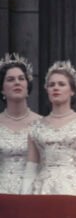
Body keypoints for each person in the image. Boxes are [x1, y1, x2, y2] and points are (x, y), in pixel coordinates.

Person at [22, 61, 76, 195]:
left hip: (74, 190)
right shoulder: (35, 127)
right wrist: (24, 199)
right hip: (43, 190)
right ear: (47, 90)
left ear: (72, 90)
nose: (55, 88)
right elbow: (31, 169)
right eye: (51, 85)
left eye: (61, 84)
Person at [0, 53, 40, 194]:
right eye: (10, 79)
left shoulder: (41, 123)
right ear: (2, 89)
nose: (17, 82)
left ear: (27, 86)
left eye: (21, 79)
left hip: (34, 193)